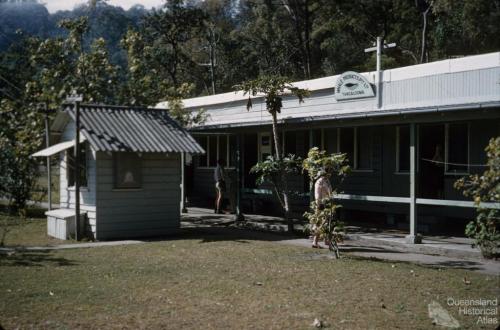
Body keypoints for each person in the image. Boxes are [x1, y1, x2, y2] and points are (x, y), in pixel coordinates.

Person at [312, 170, 332, 248]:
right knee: (321, 223)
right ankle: (315, 242)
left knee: (325, 222)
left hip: (325, 203)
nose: (330, 174)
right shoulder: (321, 181)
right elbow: (318, 194)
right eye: (328, 173)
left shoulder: (326, 181)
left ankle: (325, 240)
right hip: (321, 204)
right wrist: (319, 205)